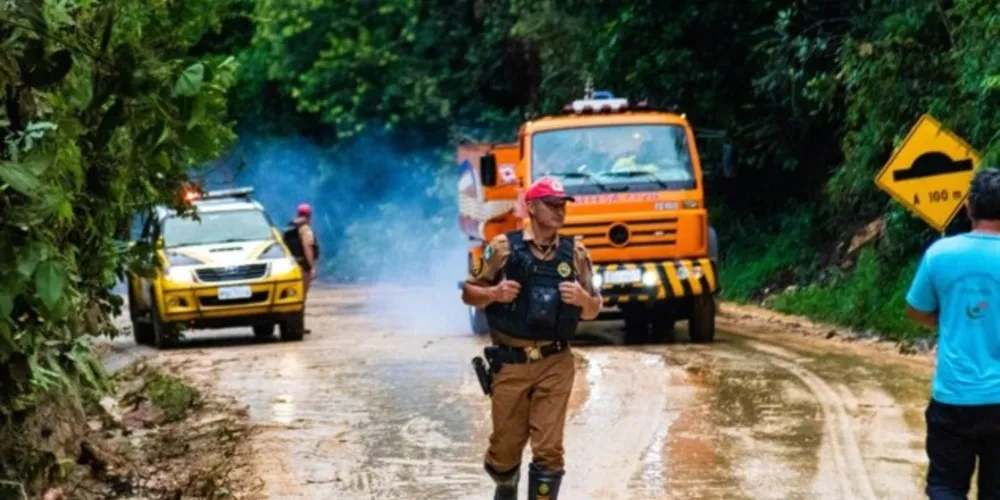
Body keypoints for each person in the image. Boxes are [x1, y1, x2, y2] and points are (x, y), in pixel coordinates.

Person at [461, 177, 602, 500]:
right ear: (531, 208)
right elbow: (468, 293)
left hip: (555, 361)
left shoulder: (575, 254)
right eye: (551, 205)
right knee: (505, 449)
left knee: (549, 449)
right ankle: (505, 484)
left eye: (562, 205)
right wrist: (494, 293)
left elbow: (595, 308)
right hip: (511, 363)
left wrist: (583, 300)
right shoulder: (501, 248)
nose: (559, 211)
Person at [905, 166, 1000, 499]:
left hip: (954, 396)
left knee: (946, 486)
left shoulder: (941, 254)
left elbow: (915, 309)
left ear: (969, 207)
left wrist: (944, 320)